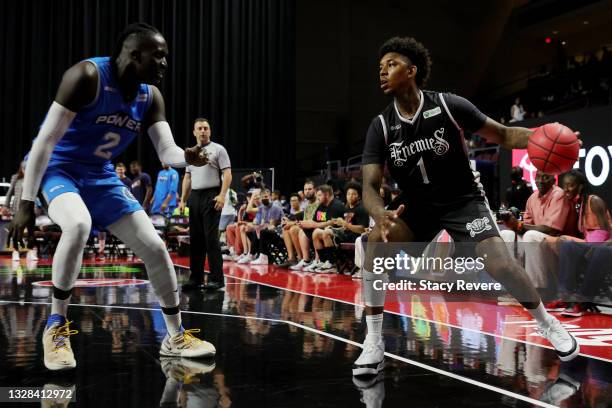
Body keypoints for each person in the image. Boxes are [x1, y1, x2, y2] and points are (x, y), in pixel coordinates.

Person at [355, 36, 580, 376]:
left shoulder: (448, 105)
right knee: (375, 242)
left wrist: (544, 135)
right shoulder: (381, 126)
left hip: (463, 200)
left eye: (391, 65)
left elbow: (503, 135)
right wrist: (378, 213)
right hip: (416, 205)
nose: (382, 72)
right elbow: (369, 186)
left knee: (499, 264)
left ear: (412, 71)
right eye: (380, 68)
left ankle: (546, 323)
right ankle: (373, 341)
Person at [9, 23, 215, 371]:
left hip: (100, 174)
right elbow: (44, 142)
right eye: (159, 56)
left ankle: (175, 335)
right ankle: (56, 327)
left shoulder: (150, 97)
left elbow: (167, 151)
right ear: (135, 55)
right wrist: (25, 203)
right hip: (59, 168)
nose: (165, 64)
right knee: (78, 224)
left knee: (154, 245)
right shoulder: (86, 77)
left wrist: (187, 156)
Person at [500, 171, 577, 290]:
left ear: (553, 180)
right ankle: (515, 287)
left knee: (531, 236)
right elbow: (524, 227)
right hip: (539, 244)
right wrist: (512, 225)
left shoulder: (559, 195)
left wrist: (519, 225)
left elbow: (550, 229)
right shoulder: (532, 198)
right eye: (538, 177)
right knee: (506, 235)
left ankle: (537, 290)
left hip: (560, 245)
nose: (540, 181)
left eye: (545, 177)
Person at [180, 118, 232, 291]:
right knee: (196, 240)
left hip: (212, 195)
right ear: (194, 132)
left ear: (210, 131)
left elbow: (228, 174)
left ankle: (217, 279)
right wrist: (182, 200)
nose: (203, 131)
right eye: (199, 128)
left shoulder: (219, 149)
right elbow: (187, 177)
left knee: (211, 239)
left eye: (206, 128)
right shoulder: (190, 153)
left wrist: (222, 195)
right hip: (195, 196)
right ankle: (196, 279)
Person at [311, 182, 369, 273]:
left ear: (359, 197)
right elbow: (344, 227)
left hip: (355, 237)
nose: (350, 196)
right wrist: (335, 226)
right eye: (348, 194)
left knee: (326, 233)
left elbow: (362, 229)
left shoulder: (361, 209)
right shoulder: (346, 208)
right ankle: (323, 261)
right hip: (345, 234)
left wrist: (344, 224)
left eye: (353, 194)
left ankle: (332, 264)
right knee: (316, 232)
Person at [4, 162, 38, 262]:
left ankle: (31, 252)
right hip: (18, 208)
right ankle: (15, 252)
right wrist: (6, 206)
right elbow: (9, 193)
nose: (26, 171)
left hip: (31, 208)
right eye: (24, 168)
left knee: (31, 231)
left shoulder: (34, 179)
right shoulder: (16, 178)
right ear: (21, 169)